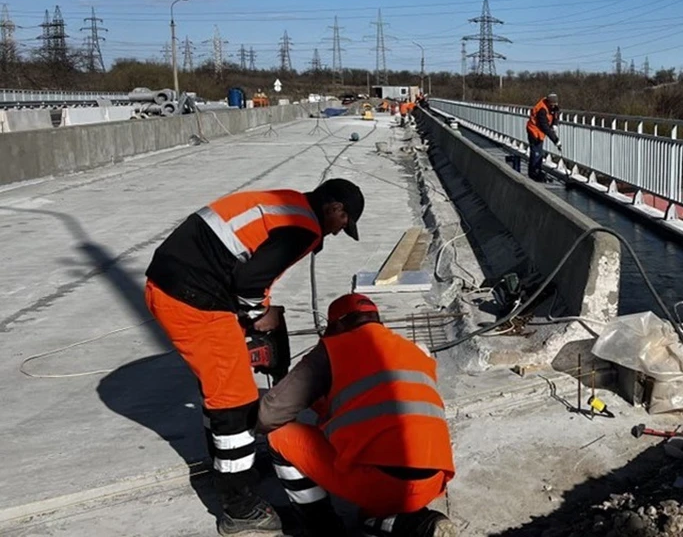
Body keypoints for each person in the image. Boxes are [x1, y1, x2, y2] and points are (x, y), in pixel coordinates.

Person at [144, 179, 365, 535]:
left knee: (220, 386)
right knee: (234, 402)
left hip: (179, 283)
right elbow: (250, 281)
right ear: (335, 208)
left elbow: (242, 265)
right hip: (191, 297)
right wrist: (259, 313)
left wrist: (250, 315)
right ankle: (240, 508)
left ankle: (232, 463)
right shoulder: (304, 226)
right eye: (345, 223)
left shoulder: (289, 204)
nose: (340, 231)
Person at [258, 293, 456, 537]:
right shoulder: (414, 351)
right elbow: (370, 404)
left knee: (278, 436)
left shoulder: (334, 348)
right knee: (367, 517)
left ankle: (321, 527)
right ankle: (418, 524)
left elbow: (268, 416)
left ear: (337, 325)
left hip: (380, 484)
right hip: (433, 481)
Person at [525, 93, 562, 182]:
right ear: (549, 103)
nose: (554, 106)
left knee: (539, 152)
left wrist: (555, 124)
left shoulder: (553, 107)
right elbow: (545, 127)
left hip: (539, 132)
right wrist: (556, 140)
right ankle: (533, 173)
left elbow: (556, 115)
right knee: (536, 153)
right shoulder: (542, 109)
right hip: (534, 131)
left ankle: (537, 171)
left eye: (555, 104)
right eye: (552, 104)